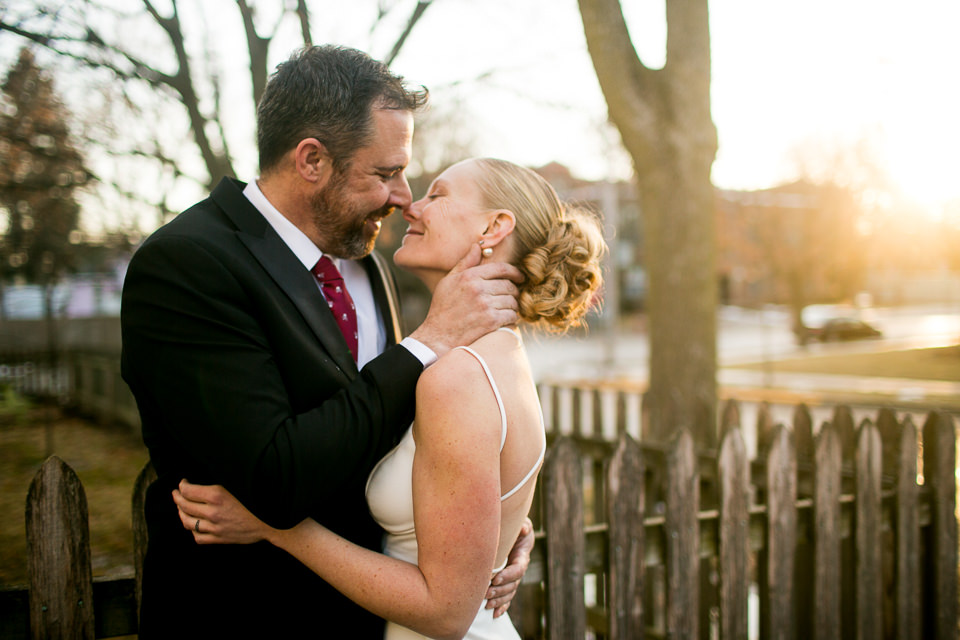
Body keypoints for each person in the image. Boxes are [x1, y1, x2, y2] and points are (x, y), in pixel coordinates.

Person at [120, 46, 531, 639]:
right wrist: (427, 343)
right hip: (249, 618)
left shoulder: (364, 264)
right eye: (385, 173)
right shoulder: (187, 265)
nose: (402, 197)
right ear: (311, 160)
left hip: (382, 616)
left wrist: (496, 525)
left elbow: (404, 438)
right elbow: (275, 480)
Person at [172, 157, 608, 639]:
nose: (410, 206)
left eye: (437, 195)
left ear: (495, 226)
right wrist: (495, 534)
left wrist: (277, 528)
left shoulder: (458, 376)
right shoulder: (495, 353)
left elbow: (444, 612)